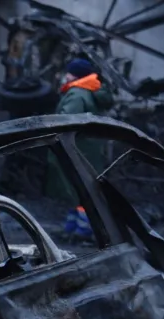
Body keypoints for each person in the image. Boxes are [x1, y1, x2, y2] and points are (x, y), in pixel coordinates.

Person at [44, 58, 114, 242]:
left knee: (80, 189)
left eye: (68, 72)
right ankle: (73, 227)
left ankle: (83, 230)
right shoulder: (92, 91)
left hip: (76, 148)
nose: (64, 76)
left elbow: (66, 121)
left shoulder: (76, 94)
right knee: (82, 188)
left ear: (74, 75)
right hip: (89, 148)